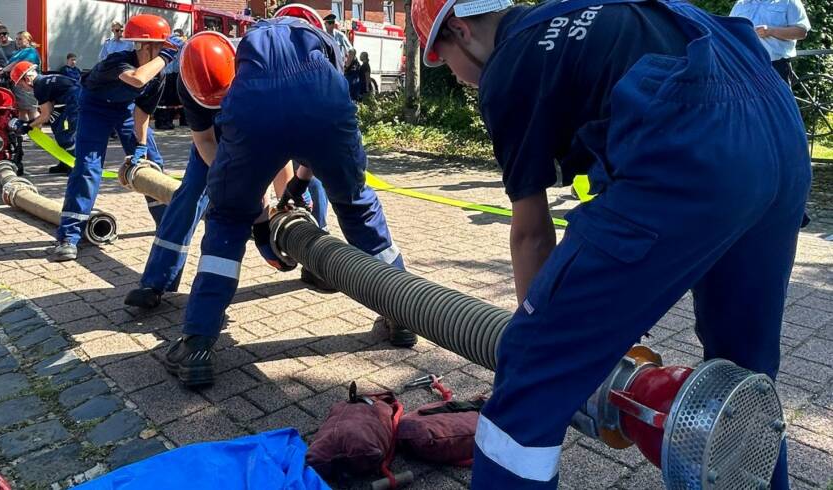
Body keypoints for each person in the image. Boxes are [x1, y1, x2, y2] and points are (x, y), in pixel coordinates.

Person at [410, 0, 811, 488]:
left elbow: (532, 233)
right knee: (743, 377)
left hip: (692, 139)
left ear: (460, 30)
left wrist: (550, 338)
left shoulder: (508, 66)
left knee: (531, 370)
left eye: (443, 60)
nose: (453, 77)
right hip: (779, 125)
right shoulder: (574, 15)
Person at [163, 15, 416, 388]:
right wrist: (292, 187)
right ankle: (404, 315)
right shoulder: (317, 40)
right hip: (323, 105)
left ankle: (197, 343)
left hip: (255, 111)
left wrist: (242, 202)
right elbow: (315, 109)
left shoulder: (245, 51)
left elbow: (242, 134)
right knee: (356, 203)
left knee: (226, 221)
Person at [124, 31, 295, 309]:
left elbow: (277, 148)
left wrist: (282, 203)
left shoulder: (262, 73)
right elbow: (204, 140)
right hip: (213, 134)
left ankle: (312, 253)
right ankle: (156, 281)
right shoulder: (189, 80)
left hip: (256, 125)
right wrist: (230, 178)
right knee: (190, 192)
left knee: (301, 189)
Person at [53, 14, 178, 262]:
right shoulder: (118, 61)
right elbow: (136, 78)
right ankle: (69, 236)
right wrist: (165, 57)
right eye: (162, 47)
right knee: (88, 168)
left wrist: (141, 148)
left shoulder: (159, 77)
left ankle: (165, 226)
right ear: (148, 46)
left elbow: (142, 112)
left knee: (153, 164)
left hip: (126, 110)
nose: (166, 53)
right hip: (94, 108)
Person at [10, 61, 79, 175]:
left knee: (67, 136)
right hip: (71, 102)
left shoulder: (40, 87)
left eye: (20, 85)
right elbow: (49, 110)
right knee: (57, 128)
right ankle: (65, 163)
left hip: (76, 104)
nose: (22, 88)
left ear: (27, 79)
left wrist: (27, 127)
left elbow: (45, 116)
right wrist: (31, 123)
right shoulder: (45, 80)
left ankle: (76, 166)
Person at [730, 0, 810, 85]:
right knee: (745, 98)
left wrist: (771, 31)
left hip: (775, 67)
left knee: (777, 98)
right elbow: (728, 31)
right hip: (743, 67)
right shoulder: (740, 4)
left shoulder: (789, 2)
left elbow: (801, 32)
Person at [2, 31, 41, 120]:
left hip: (28, 85)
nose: (17, 41)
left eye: (20, 39)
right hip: (19, 85)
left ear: (28, 40)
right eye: (16, 39)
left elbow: (16, 64)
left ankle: (37, 133)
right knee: (22, 110)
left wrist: (3, 70)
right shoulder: (20, 51)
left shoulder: (30, 51)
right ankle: (24, 131)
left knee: (32, 110)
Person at [154, 30, 185, 130]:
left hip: (174, 73)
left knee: (173, 99)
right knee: (164, 100)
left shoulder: (180, 43)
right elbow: (180, 42)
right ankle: (162, 121)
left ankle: (169, 120)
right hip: (165, 73)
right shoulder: (174, 41)